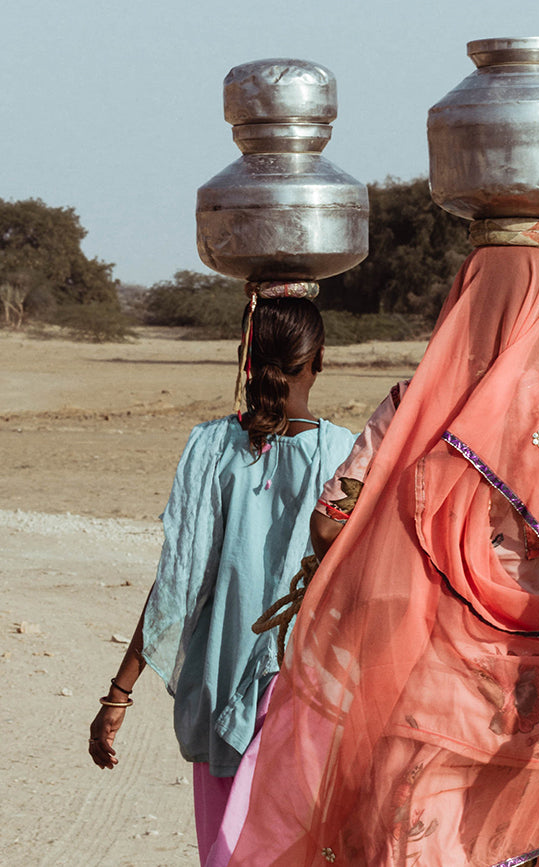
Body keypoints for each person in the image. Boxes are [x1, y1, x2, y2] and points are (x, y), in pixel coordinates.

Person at [226, 224, 539, 866]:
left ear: (464, 304)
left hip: (418, 675)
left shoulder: (410, 406)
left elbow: (332, 520)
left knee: (410, 844)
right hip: (530, 691)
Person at [87, 289, 356, 867]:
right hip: (308, 687)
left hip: (219, 674)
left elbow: (177, 585)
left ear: (247, 354)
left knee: (225, 849)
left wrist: (120, 692)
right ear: (320, 359)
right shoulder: (349, 454)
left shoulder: (212, 446)